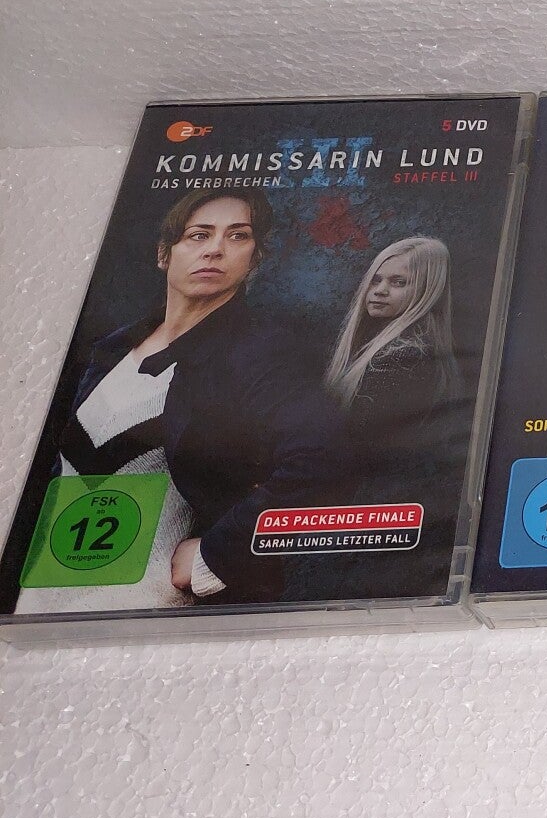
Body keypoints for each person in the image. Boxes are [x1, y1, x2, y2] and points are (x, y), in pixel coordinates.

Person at [16, 187, 348, 613]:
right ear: (163, 254)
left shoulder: (260, 353)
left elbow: (324, 458)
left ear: (255, 259)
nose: (215, 250)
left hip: (154, 606)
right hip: (42, 599)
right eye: (198, 235)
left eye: (238, 236)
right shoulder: (108, 349)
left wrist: (218, 554)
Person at [324, 236, 460, 482]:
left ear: (427, 290)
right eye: (376, 280)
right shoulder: (392, 349)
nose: (380, 290)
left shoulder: (402, 359)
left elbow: (360, 449)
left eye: (398, 282)